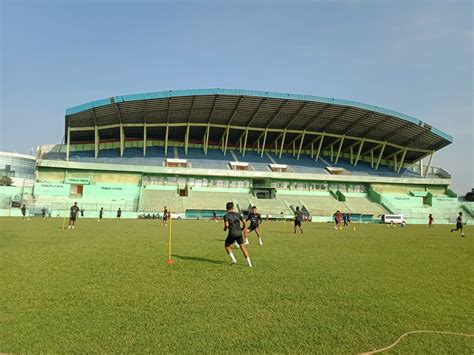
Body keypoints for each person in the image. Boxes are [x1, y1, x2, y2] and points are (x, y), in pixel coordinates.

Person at [223, 202, 252, 267]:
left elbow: (227, 225)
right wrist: (243, 228)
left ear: (226, 208)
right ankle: (249, 263)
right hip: (239, 233)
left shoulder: (226, 216)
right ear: (233, 207)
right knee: (242, 247)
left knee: (227, 246)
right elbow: (244, 222)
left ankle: (233, 259)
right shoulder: (237, 214)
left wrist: (225, 228)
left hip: (232, 233)